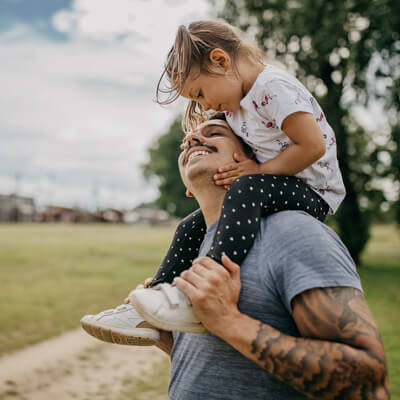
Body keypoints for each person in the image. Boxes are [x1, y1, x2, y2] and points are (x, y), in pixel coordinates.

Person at [81, 18, 346, 339]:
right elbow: (227, 143)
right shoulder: (239, 104)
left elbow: (313, 146)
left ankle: (204, 288)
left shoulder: (273, 88)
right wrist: (196, 147)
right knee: (189, 225)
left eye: (200, 92)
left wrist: (258, 172)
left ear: (220, 61)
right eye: (197, 101)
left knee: (248, 186)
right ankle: (152, 304)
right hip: (275, 185)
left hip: (312, 191)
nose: (203, 105)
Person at [154, 117, 389, 399]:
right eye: (187, 141)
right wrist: (170, 336)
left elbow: (368, 383)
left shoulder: (295, 233)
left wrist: (229, 321)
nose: (193, 140)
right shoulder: (199, 246)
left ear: (253, 157)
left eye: (214, 133)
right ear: (188, 188)